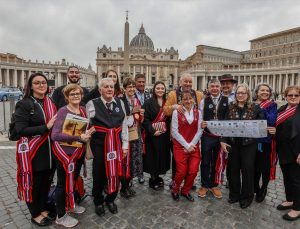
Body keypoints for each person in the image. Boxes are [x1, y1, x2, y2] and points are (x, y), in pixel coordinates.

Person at [14, 73, 57, 226]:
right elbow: (20, 130)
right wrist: (46, 127)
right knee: (35, 183)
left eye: (43, 82)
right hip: (34, 151)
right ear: (30, 86)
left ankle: (42, 208)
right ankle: (35, 214)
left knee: (46, 182)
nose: (41, 85)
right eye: (37, 83)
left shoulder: (49, 102)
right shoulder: (24, 104)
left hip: (50, 150)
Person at [51, 84, 94, 227]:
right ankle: (60, 215)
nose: (76, 96)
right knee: (62, 184)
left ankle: (71, 204)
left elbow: (84, 129)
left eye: (78, 93)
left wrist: (89, 133)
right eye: (72, 94)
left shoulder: (82, 109)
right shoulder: (63, 111)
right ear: (67, 97)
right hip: (64, 154)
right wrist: (78, 137)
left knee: (74, 179)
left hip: (78, 152)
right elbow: (55, 135)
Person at [86, 78, 128, 217]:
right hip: (99, 144)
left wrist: (125, 145)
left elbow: (124, 126)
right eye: (106, 87)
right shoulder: (92, 104)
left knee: (115, 171)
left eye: (111, 87)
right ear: (100, 90)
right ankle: (98, 201)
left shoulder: (120, 103)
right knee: (99, 173)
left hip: (116, 143)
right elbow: (87, 123)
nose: (109, 89)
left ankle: (111, 199)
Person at [220, 83, 266, 209]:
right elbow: (224, 125)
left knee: (248, 170)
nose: (240, 95)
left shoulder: (256, 108)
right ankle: (234, 194)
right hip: (233, 144)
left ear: (248, 94)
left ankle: (247, 196)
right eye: (238, 93)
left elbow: (262, 125)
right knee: (233, 170)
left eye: (243, 93)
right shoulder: (230, 107)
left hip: (249, 145)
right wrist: (223, 140)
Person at [164, 73, 203, 188]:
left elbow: (202, 111)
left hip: (193, 135)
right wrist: (174, 107)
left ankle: (188, 182)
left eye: (190, 82)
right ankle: (175, 181)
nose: (188, 84)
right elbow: (165, 110)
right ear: (180, 82)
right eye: (185, 81)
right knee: (177, 162)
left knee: (191, 161)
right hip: (178, 135)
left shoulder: (199, 94)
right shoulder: (172, 94)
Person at [198, 79, 229, 199]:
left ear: (220, 87)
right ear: (209, 88)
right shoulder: (203, 101)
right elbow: (200, 117)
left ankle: (214, 185)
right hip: (207, 136)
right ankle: (204, 185)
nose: (215, 88)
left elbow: (229, 119)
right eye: (212, 86)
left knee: (217, 161)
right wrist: (201, 124)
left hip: (221, 137)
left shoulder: (228, 100)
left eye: (217, 86)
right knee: (205, 161)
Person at [171, 90, 202, 201]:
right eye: (185, 99)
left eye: (190, 98)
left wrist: (191, 145)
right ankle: (175, 189)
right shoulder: (176, 112)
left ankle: (185, 190)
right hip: (180, 146)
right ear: (181, 101)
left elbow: (200, 130)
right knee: (181, 171)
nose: (188, 101)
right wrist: (186, 145)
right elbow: (174, 132)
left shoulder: (198, 112)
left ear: (193, 99)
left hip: (194, 147)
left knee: (193, 171)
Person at [275, 86, 300, 221]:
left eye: (296, 95)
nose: (293, 97)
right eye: (290, 95)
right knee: (287, 177)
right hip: (284, 150)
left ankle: (297, 208)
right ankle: (290, 200)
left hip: (297, 151)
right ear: (286, 96)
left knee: (297, 180)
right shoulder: (282, 109)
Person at [120, 78, 145, 198]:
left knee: (134, 158)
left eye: (133, 86)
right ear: (124, 88)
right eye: (129, 87)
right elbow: (119, 117)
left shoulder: (137, 100)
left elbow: (139, 119)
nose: (132, 89)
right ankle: (124, 186)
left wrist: (141, 115)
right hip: (125, 134)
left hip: (136, 132)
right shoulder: (120, 101)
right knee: (126, 160)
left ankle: (129, 182)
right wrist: (130, 111)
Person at [143, 81, 171, 190]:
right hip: (153, 135)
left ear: (165, 90)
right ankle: (152, 178)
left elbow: (169, 118)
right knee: (153, 156)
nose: (160, 90)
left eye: (162, 88)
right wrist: (153, 131)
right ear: (154, 89)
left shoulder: (167, 102)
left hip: (164, 135)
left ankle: (158, 176)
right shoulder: (148, 103)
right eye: (158, 88)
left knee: (162, 156)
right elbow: (145, 120)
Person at [253, 83, 277, 203]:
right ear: (257, 92)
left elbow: (271, 121)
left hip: (265, 141)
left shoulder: (272, 105)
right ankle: (256, 187)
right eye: (262, 90)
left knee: (264, 167)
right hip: (252, 141)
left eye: (267, 91)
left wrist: (260, 108)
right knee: (255, 166)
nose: (265, 92)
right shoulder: (251, 104)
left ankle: (264, 188)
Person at [134, 73, 151, 183]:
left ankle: (142, 173)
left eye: (143, 82)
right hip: (135, 126)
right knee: (135, 151)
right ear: (135, 82)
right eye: (139, 82)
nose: (141, 84)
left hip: (146, 126)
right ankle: (133, 175)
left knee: (146, 151)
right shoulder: (131, 95)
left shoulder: (148, 95)